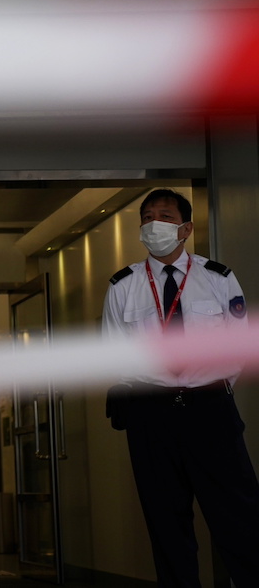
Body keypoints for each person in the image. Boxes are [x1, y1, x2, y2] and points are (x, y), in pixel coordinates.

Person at [103, 188, 259, 588]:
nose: (155, 224)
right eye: (148, 216)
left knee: (239, 516)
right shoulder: (123, 286)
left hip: (210, 410)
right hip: (151, 416)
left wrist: (213, 387)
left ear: (186, 228)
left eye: (166, 217)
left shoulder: (217, 278)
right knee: (166, 522)